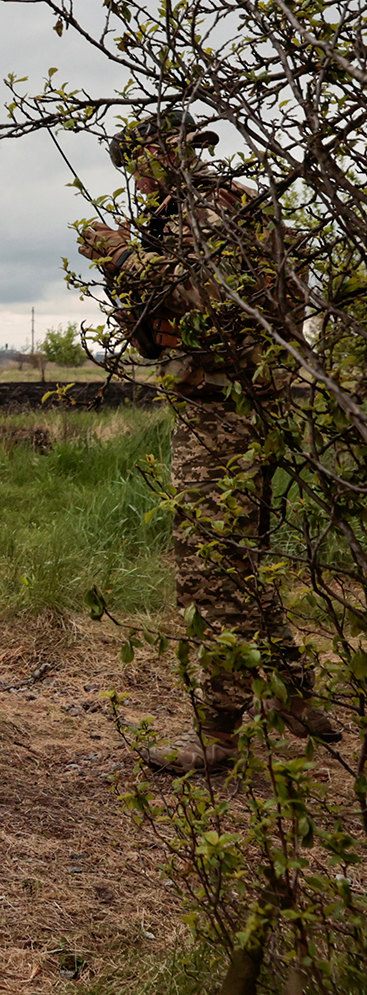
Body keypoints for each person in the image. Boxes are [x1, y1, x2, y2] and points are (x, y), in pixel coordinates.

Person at [79, 113, 336, 772]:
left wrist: (123, 257)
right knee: (239, 561)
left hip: (224, 411)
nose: (135, 180)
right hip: (244, 406)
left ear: (171, 152)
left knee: (211, 574)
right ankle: (295, 694)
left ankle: (218, 735)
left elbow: (205, 299)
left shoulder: (203, 213)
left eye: (140, 161)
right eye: (129, 166)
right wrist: (126, 273)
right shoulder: (215, 207)